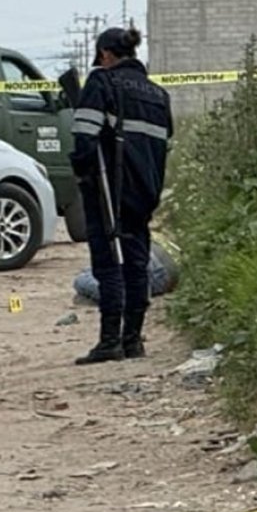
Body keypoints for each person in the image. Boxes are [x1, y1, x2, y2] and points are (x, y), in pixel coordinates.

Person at [69, 27, 173, 364]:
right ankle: (133, 340)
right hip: (145, 190)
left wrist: (81, 172)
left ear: (104, 55)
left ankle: (109, 341)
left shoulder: (102, 82)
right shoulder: (159, 95)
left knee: (109, 264)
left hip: (107, 188)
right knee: (136, 262)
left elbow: (84, 139)